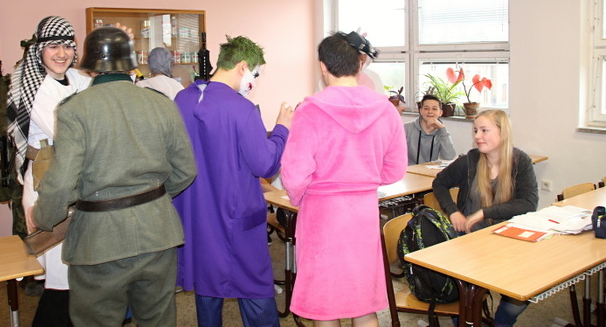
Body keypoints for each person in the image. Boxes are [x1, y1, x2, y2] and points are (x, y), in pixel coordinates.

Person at [28, 26, 197, 327]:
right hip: (158, 233)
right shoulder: (161, 103)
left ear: (90, 68)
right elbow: (186, 170)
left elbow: (62, 184)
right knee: (158, 320)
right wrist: (151, 200)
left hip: (98, 241)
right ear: (131, 65)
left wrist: (43, 218)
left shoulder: (74, 110)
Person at [280, 31, 408, 327]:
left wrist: (300, 198)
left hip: (322, 216)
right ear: (360, 64)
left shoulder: (310, 111)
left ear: (323, 66)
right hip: (363, 214)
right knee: (363, 304)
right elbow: (395, 169)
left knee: (325, 306)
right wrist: (364, 182)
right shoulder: (386, 110)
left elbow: (295, 174)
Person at [173, 35, 294, 327]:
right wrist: (282, 128)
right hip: (234, 219)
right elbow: (265, 164)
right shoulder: (242, 109)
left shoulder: (182, 99)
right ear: (242, 67)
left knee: (206, 282)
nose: (254, 82)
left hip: (196, 217)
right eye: (255, 74)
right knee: (253, 287)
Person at [6, 15, 90, 325]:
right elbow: (68, 133)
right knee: (61, 277)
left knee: (78, 275)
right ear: (39, 49)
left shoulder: (77, 78)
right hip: (48, 185)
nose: (61, 53)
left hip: (79, 180)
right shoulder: (36, 88)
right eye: (53, 46)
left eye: (67, 46)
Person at [432, 109, 538, 327]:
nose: (478, 136)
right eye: (475, 131)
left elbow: (528, 203)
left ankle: (501, 322)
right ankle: (464, 319)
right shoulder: (470, 160)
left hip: (507, 239)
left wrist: (485, 212)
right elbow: (440, 183)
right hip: (469, 241)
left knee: (524, 291)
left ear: (503, 132)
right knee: (464, 294)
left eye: (484, 130)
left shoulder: (520, 161)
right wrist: (453, 211)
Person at [404, 94, 456, 165]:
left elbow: (449, 157)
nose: (430, 112)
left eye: (434, 109)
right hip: (408, 170)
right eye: (426, 108)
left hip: (430, 171)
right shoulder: (406, 129)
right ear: (421, 111)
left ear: (440, 113)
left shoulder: (442, 133)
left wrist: (442, 129)